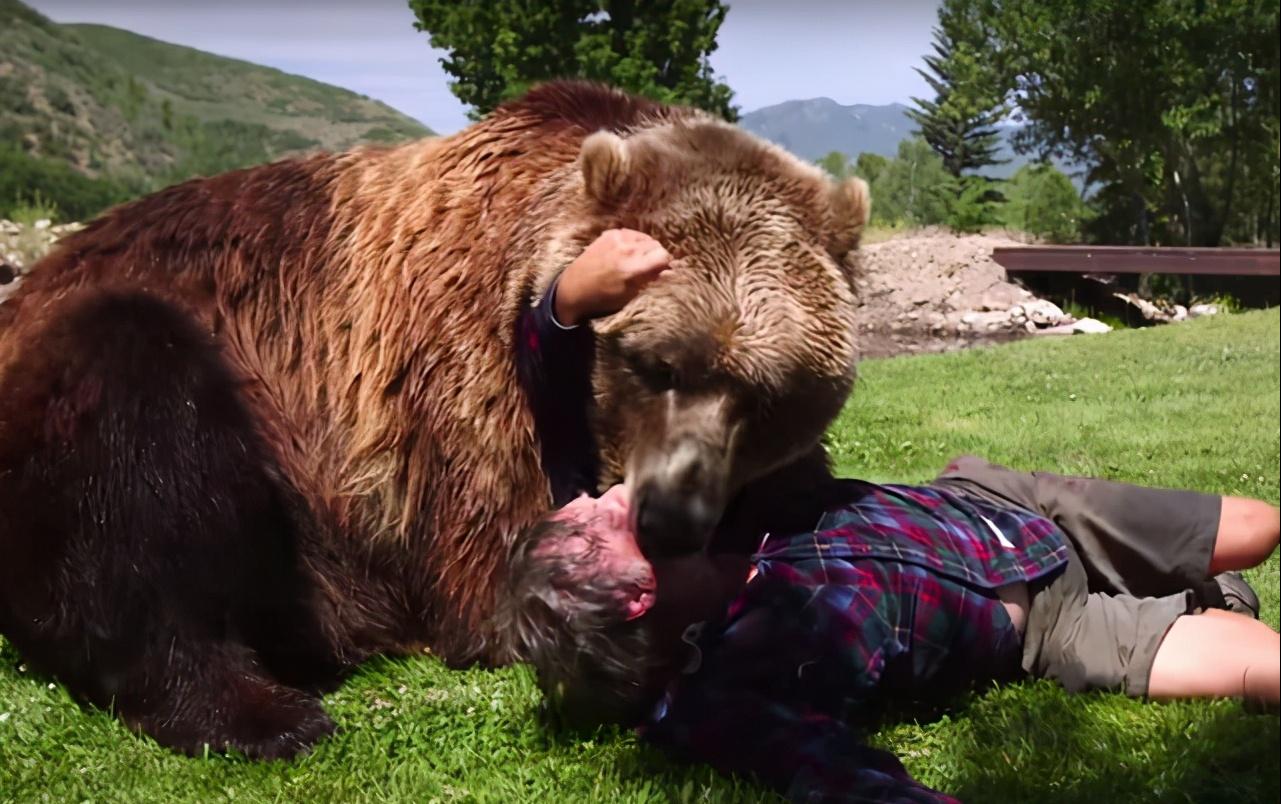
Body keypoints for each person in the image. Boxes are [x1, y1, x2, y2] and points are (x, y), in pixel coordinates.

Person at [504, 467, 1279, 803]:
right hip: (1053, 627)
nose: (600, 494)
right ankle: (1198, 600)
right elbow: (832, 774)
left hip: (1007, 504)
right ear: (636, 594)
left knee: (1258, 526)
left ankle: (1204, 589)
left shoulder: (721, 502)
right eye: (598, 520)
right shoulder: (728, 685)